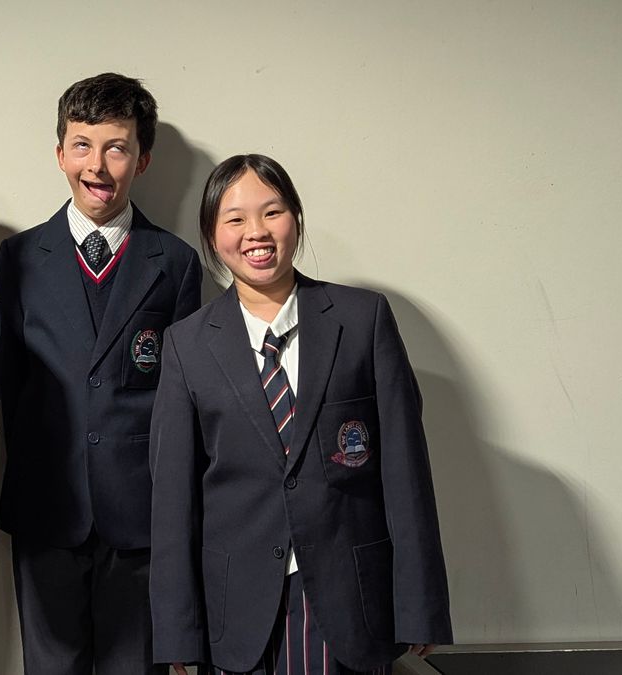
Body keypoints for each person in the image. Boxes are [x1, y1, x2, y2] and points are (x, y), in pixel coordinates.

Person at [149, 154, 452, 674]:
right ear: (212, 236)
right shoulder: (187, 345)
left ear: (296, 218)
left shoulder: (362, 320)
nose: (256, 232)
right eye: (235, 218)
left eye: (272, 212)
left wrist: (421, 605)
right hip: (236, 609)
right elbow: (173, 500)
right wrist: (177, 631)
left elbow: (406, 473)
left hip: (350, 602)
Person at [0, 73, 202, 674]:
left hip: (140, 513)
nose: (98, 165)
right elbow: (10, 382)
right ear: (60, 153)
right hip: (47, 504)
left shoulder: (176, 263)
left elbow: (181, 399)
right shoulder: (18, 257)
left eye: (117, 148)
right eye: (82, 145)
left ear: (142, 160)